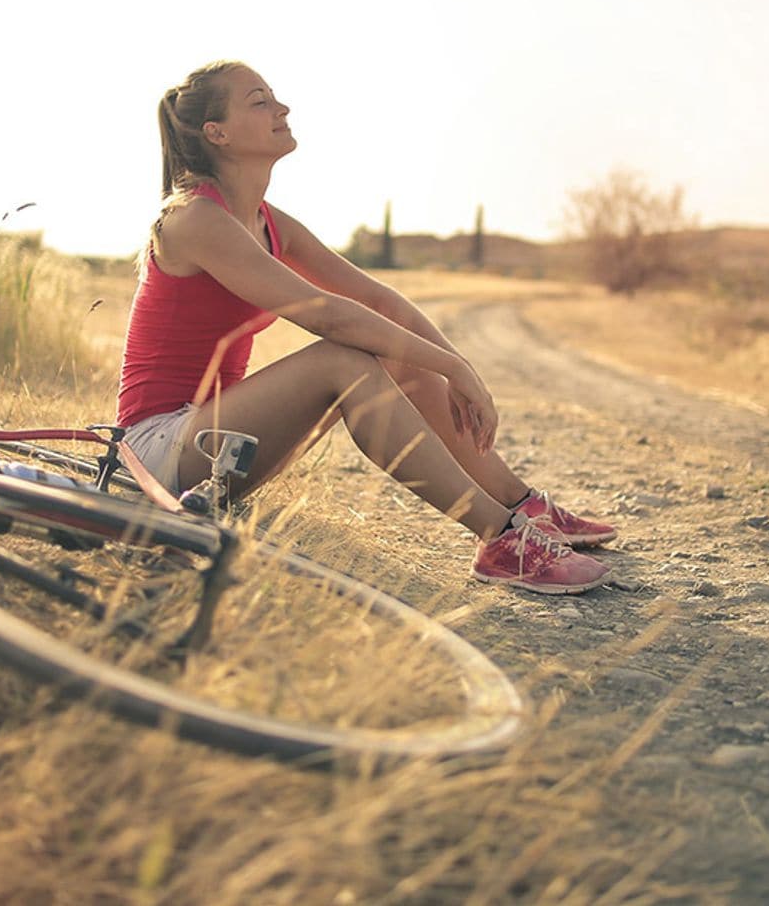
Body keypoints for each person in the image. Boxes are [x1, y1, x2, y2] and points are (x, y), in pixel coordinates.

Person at [116, 60, 616, 595]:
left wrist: (456, 368)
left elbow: (375, 297)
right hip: (157, 451)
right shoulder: (194, 219)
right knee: (344, 358)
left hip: (221, 447)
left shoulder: (267, 221)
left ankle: (522, 507)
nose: (281, 109)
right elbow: (325, 312)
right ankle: (500, 538)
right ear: (217, 133)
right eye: (259, 101)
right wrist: (449, 365)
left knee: (396, 351)